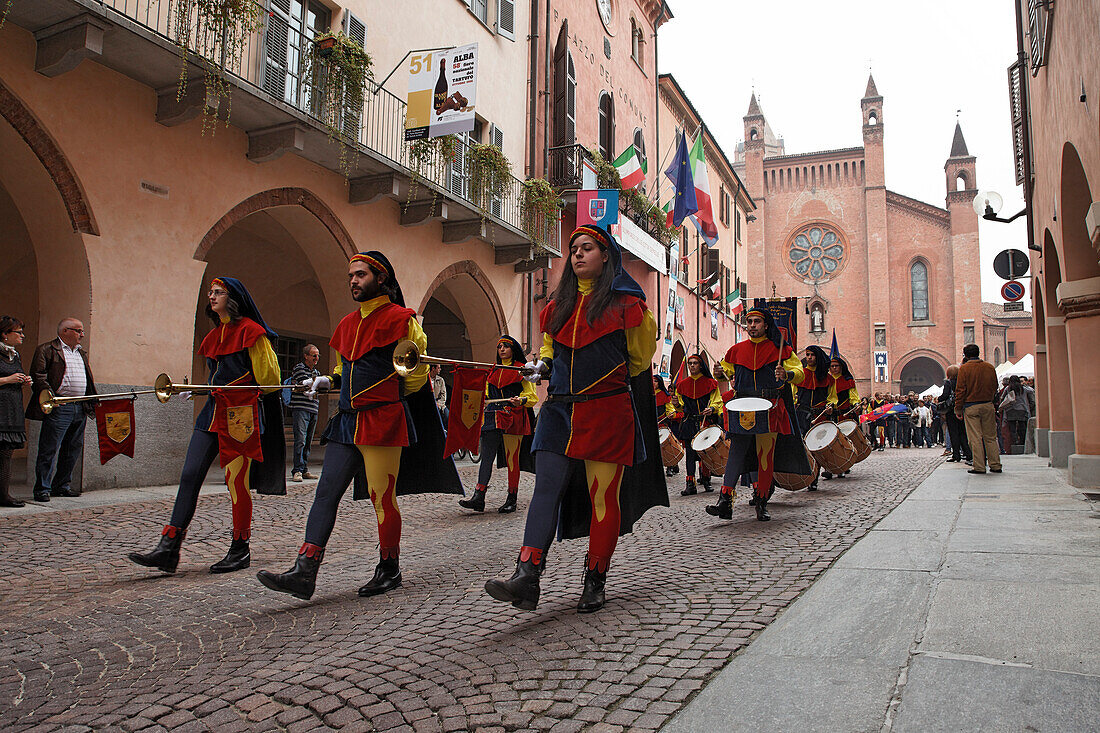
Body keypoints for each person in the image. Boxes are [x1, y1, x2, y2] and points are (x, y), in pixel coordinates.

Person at [257, 251, 461, 600]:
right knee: (325, 493)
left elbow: (414, 377)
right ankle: (304, 571)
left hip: (383, 421)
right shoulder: (346, 324)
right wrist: (327, 381)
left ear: (381, 278)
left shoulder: (404, 320)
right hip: (347, 422)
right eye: (351, 275)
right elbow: (343, 370)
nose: (353, 280)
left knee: (382, 498)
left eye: (361, 274)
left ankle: (389, 567)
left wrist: (388, 399)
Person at [484, 225, 666, 613]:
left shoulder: (630, 307)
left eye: (587, 248)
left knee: (604, 497)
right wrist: (543, 365)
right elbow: (550, 347)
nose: (578, 254)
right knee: (545, 489)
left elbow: (638, 358)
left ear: (605, 257)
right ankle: (526, 576)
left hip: (607, 410)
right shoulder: (555, 307)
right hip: (559, 411)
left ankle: (595, 579)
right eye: (574, 249)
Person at [129, 278, 285, 575]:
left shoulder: (254, 333)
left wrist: (237, 389)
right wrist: (201, 389)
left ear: (233, 297)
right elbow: (215, 376)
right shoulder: (214, 335)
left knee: (236, 483)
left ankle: (240, 549)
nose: (211, 297)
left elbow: (268, 381)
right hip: (213, 413)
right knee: (189, 475)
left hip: (240, 415)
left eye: (217, 292)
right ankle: (168, 548)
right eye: (210, 293)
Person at [706, 307, 809, 522]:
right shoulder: (736, 350)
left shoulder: (780, 350)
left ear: (766, 325)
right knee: (736, 451)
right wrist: (718, 373)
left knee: (765, 455)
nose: (752, 325)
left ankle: (761, 501)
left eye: (756, 322)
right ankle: (725, 501)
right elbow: (724, 372)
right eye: (749, 321)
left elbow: (800, 374)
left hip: (769, 406)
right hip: (742, 406)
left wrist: (787, 374)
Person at [459, 335, 537, 514]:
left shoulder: (522, 370)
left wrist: (522, 400)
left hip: (514, 417)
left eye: (506, 346)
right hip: (492, 416)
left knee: (512, 459)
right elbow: (485, 394)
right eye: (499, 346)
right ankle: (479, 496)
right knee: (486, 457)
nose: (501, 349)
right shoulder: (493, 371)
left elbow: (532, 396)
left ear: (513, 350)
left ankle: (512, 498)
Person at [25, 318, 97, 502]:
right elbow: (38, 376)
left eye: (82, 331)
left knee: (72, 449)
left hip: (79, 406)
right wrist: (50, 396)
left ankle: (62, 485)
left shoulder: (81, 353)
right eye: (78, 330)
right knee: (49, 449)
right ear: (65, 331)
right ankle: (42, 488)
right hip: (60, 407)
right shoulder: (47, 350)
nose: (82, 334)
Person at [669, 354, 723, 495]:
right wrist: (676, 404)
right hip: (689, 422)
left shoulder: (711, 383)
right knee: (690, 456)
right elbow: (680, 407)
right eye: (690, 363)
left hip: (705, 422)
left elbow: (717, 401)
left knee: (705, 453)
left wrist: (711, 409)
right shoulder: (681, 385)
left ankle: (706, 479)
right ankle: (690, 483)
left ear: (700, 365)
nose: (692, 366)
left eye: (695, 363)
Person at [954, 344, 1002, 474]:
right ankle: (995, 464)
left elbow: (960, 391)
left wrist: (958, 409)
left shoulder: (964, 369)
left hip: (971, 406)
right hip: (987, 404)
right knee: (991, 437)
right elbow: (995, 386)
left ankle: (979, 466)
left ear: (966, 355)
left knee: (975, 438)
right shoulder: (989, 367)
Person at [0, 316, 32, 508]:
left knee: (6, 455)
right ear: (4, 334)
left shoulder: (15, 355)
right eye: (18, 332)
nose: (22, 336)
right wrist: (7, 380)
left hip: (11, 410)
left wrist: (23, 380)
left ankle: (4, 494)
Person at [795, 345, 831, 487]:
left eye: (812, 355)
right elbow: (793, 393)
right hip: (802, 415)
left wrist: (830, 405)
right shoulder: (801, 375)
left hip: (820, 415)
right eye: (808, 355)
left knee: (817, 446)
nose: (809, 358)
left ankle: (814, 478)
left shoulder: (827, 378)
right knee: (805, 447)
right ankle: (808, 475)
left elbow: (832, 397)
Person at [823, 353, 858, 477]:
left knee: (842, 443)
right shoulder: (827, 380)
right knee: (828, 442)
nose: (834, 368)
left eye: (836, 366)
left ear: (841, 367)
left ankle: (843, 466)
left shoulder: (848, 381)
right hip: (830, 414)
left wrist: (855, 403)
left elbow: (853, 396)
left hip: (844, 414)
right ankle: (829, 468)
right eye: (832, 366)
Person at [290, 343, 321, 482]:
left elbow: (315, 386)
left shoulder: (317, 373)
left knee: (308, 441)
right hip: (301, 408)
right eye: (314, 355)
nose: (316, 358)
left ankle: (304, 469)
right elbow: (306, 383)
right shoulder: (299, 368)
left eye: (318, 355)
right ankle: (297, 470)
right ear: (306, 356)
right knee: (300, 440)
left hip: (313, 408)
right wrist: (316, 383)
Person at [653, 373, 678, 477]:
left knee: (666, 446)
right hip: (652, 425)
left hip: (663, 423)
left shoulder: (665, 395)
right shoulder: (647, 394)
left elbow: (670, 408)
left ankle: (670, 467)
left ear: (659, 383)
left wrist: (671, 413)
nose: (653, 383)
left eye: (655, 381)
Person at [1000, 375, 1031, 448]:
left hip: (1011, 410)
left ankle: (1014, 442)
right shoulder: (1023, 389)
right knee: (1022, 427)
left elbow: (1002, 398)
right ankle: (1022, 443)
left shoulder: (1008, 388)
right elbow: (1031, 392)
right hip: (1022, 409)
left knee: (1012, 428)